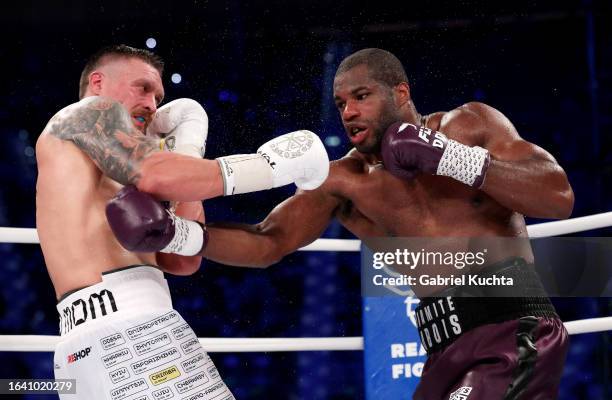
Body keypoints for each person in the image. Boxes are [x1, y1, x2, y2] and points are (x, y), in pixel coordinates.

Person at [108, 48, 574, 399]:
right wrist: (180, 235)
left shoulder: (467, 127)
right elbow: (268, 242)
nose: (348, 112)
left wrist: (450, 157)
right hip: (443, 350)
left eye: (361, 97)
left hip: (515, 330)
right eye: (341, 103)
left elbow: (557, 196)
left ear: (401, 93)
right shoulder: (343, 182)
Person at [36, 44, 329, 400]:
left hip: (85, 350)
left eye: (158, 96)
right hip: (134, 335)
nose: (152, 104)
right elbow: (154, 175)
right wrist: (266, 168)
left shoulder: (117, 163)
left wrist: (187, 152)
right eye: (142, 88)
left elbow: (182, 260)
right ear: (98, 82)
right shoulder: (82, 114)